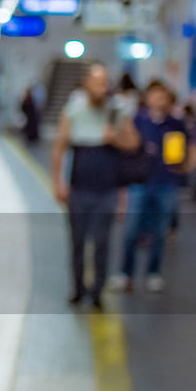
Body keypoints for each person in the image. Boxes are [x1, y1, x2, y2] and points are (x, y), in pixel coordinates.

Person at [50, 63, 138, 309]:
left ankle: (97, 290)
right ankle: (78, 288)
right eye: (97, 82)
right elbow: (59, 148)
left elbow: (133, 144)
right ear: (86, 84)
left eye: (105, 82)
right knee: (77, 241)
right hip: (79, 188)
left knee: (102, 242)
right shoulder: (73, 111)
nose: (102, 87)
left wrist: (115, 138)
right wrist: (57, 183)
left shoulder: (117, 110)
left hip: (107, 189)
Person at [110, 81, 195, 292]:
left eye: (163, 96)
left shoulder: (176, 124)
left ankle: (153, 273)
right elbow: (125, 146)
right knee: (131, 231)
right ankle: (125, 273)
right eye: (155, 95)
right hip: (139, 183)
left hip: (165, 184)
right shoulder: (138, 120)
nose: (159, 100)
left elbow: (191, 147)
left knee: (159, 232)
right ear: (147, 98)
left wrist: (186, 166)